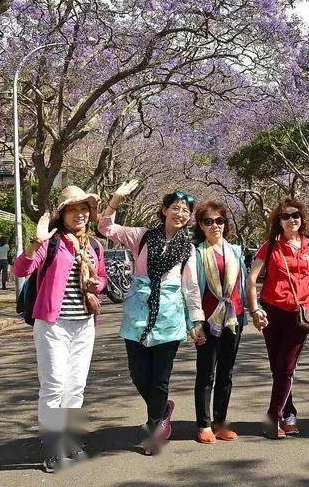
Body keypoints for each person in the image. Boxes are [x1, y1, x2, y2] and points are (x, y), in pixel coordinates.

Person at [13, 186, 107, 472]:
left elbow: (102, 279)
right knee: (53, 385)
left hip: (83, 324)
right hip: (52, 324)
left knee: (75, 386)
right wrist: (35, 242)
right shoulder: (51, 242)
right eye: (73, 209)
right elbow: (21, 269)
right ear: (63, 214)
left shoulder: (94, 246)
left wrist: (96, 284)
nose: (79, 214)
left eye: (84, 209)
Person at [99, 180, 195, 455]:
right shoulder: (141, 235)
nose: (181, 213)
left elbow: (191, 287)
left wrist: (195, 321)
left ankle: (154, 429)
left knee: (160, 378)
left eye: (186, 210)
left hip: (170, 315)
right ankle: (163, 409)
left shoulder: (190, 246)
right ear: (164, 210)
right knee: (139, 374)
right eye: (175, 208)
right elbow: (105, 227)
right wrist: (116, 200)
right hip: (138, 314)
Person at [246, 198, 309, 439]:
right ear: (279, 222)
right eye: (286, 216)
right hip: (272, 312)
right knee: (278, 367)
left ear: (302, 219)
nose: (292, 220)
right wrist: (255, 309)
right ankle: (288, 413)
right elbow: (251, 279)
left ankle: (273, 416)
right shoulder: (270, 247)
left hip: (300, 314)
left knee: (286, 366)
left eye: (296, 215)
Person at [184, 200, 247, 444]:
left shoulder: (236, 251)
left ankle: (220, 422)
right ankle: (204, 423)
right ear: (200, 225)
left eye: (219, 221)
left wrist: (253, 311)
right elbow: (190, 288)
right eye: (208, 221)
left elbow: (241, 286)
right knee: (206, 373)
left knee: (226, 372)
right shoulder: (196, 253)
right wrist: (196, 322)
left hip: (233, 318)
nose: (215, 226)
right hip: (207, 320)